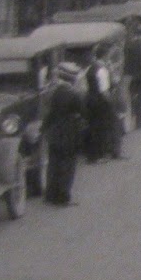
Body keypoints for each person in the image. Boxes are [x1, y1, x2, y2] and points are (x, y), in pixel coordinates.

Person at [41, 63, 87, 206]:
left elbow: (49, 114)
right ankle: (63, 196)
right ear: (72, 79)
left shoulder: (53, 92)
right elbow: (84, 112)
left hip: (54, 131)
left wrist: (44, 129)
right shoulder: (74, 94)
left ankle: (50, 194)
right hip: (69, 132)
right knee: (68, 165)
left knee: (53, 164)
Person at [82, 48, 121, 162]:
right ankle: (105, 153)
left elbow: (85, 87)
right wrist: (110, 103)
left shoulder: (89, 69)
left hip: (90, 99)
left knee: (94, 127)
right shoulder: (101, 70)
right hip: (100, 101)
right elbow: (104, 91)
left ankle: (94, 155)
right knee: (105, 126)